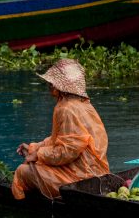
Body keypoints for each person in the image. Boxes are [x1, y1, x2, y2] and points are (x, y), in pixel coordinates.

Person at [12, 58, 110, 200]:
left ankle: (21, 207)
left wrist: (38, 155)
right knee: (33, 163)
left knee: (22, 171)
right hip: (97, 171)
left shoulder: (66, 109)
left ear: (59, 86)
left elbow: (67, 151)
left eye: (52, 83)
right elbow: (59, 140)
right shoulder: (84, 104)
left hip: (82, 177)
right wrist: (34, 148)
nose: (49, 86)